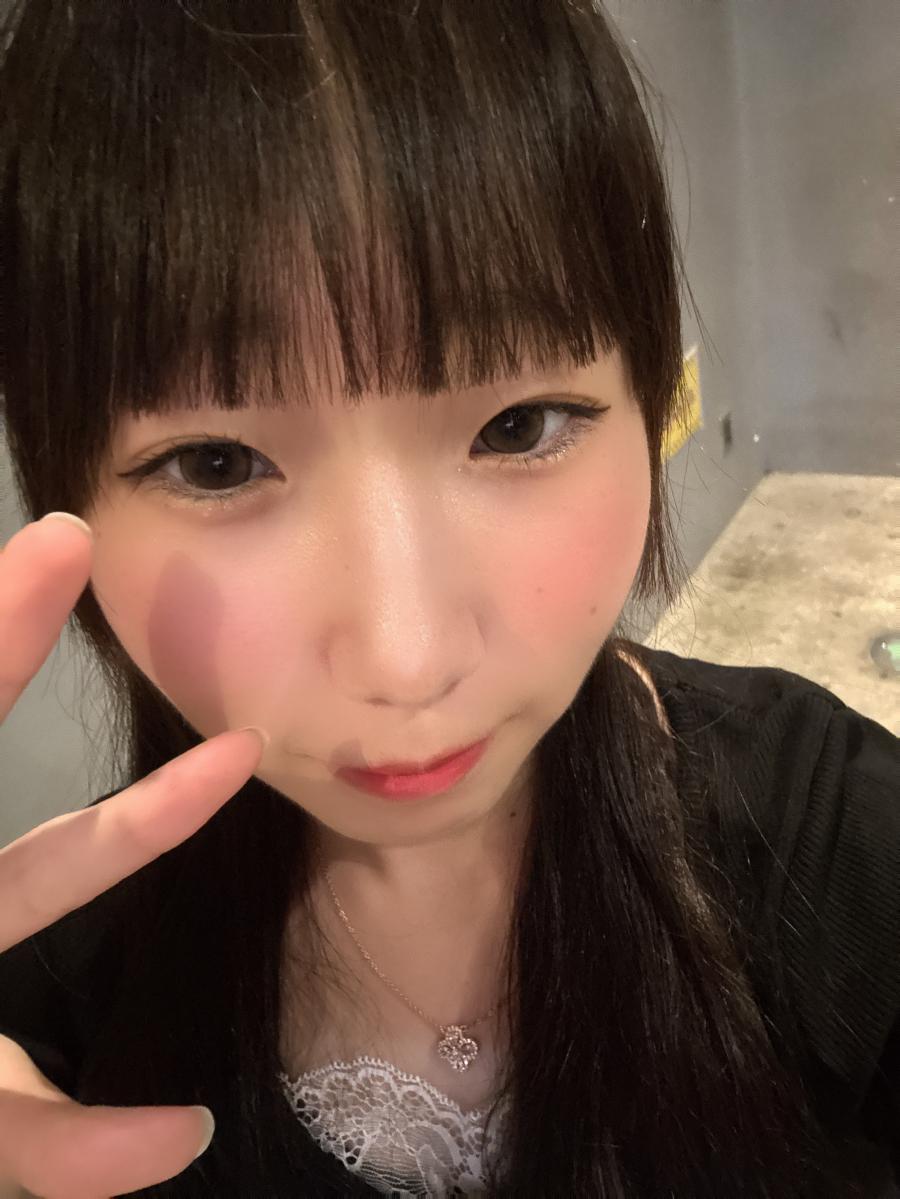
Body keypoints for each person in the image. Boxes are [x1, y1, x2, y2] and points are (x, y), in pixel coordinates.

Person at [0, 1, 897, 1196]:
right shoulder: (58, 996)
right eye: (218, 463)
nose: (408, 656)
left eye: (516, 425)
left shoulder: (827, 837)